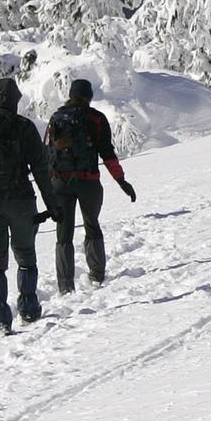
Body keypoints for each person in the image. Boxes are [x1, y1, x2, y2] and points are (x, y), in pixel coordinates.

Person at [0, 77, 55, 333]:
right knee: (25, 254)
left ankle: (1, 317)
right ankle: (28, 307)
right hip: (20, 201)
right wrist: (53, 205)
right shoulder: (24, 127)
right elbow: (40, 168)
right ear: (15, 101)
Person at [43, 77, 136, 294]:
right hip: (88, 181)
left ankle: (65, 285)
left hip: (60, 183)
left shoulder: (56, 118)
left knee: (63, 234)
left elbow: (47, 153)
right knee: (91, 226)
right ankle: (97, 276)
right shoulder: (96, 119)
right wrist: (121, 180)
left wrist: (49, 185)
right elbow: (107, 153)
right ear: (89, 96)